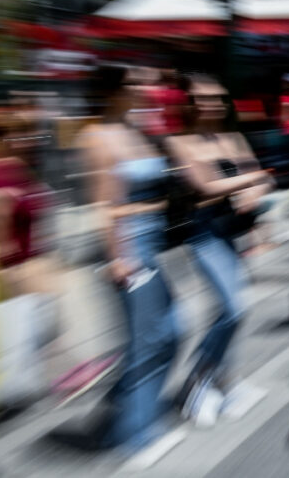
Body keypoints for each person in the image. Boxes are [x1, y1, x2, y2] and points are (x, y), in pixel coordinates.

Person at [49, 65, 179, 452]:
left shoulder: (135, 130)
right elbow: (104, 207)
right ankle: (135, 434)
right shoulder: (96, 137)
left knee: (171, 331)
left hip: (151, 243)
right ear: (112, 90)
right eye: (134, 82)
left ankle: (119, 409)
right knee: (149, 339)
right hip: (128, 249)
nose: (143, 87)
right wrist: (118, 258)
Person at [165, 76, 275, 425]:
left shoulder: (233, 137)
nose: (209, 105)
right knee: (232, 308)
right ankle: (199, 381)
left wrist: (255, 190)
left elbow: (262, 178)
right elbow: (204, 186)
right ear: (187, 102)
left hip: (231, 231)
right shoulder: (179, 143)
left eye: (216, 98)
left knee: (231, 310)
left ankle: (222, 381)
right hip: (203, 233)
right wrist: (250, 180)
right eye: (200, 98)